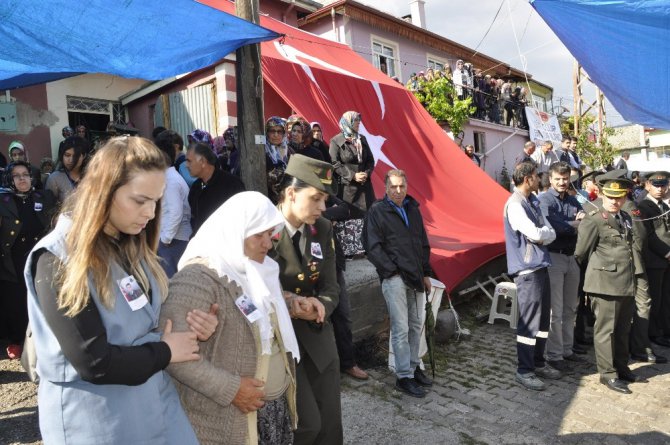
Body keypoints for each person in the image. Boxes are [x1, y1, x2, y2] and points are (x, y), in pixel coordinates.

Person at [24, 136, 220, 443]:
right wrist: (166, 351)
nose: (151, 213)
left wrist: (192, 326)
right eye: (140, 201)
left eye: (157, 201)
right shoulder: (56, 259)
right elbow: (93, 362)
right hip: (99, 421)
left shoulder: (129, 243)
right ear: (103, 192)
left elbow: (145, 321)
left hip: (155, 408)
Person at [162, 191, 302, 444]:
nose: (267, 244)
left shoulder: (259, 270)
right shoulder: (197, 278)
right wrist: (232, 389)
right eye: (258, 235)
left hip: (270, 411)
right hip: (228, 417)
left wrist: (292, 303)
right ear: (234, 231)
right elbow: (176, 359)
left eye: (270, 235)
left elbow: (264, 317)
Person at [269, 154, 342, 445]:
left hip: (317, 336)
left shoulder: (322, 229)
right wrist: (286, 303)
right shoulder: (262, 229)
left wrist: (320, 305)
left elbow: (332, 286)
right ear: (291, 193)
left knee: (329, 425)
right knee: (305, 425)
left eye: (325, 200)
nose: (323, 208)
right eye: (316, 199)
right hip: (280, 342)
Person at [574, 170, 646, 394]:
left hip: (625, 282)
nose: (615, 201)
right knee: (606, 331)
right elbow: (580, 253)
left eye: (619, 197)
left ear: (624, 197)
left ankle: (622, 367)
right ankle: (608, 373)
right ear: (602, 195)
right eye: (611, 196)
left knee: (623, 329)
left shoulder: (625, 218)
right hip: (604, 284)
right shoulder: (594, 220)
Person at [364, 169, 433, 398]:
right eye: (393, 186)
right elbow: (372, 246)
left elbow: (422, 242)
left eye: (401, 186)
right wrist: (391, 272)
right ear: (385, 187)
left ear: (407, 186)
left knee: (415, 326)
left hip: (415, 276)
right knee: (401, 329)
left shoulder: (412, 208)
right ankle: (403, 377)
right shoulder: (377, 211)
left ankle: (414, 368)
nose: (398, 191)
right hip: (394, 279)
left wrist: (425, 272)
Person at [503, 162, 560, 391]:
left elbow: (549, 233)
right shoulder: (515, 204)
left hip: (540, 265)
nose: (539, 180)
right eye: (537, 176)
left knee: (543, 320)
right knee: (529, 322)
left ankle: (538, 362)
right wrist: (543, 235)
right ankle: (524, 370)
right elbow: (536, 233)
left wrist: (543, 235)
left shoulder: (532, 201)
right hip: (528, 270)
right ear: (527, 179)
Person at [0, 161, 56, 359]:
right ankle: (17, 341)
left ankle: (44, 338)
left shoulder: (44, 196)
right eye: (16, 175)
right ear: (10, 179)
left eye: (26, 174)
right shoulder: (3, 200)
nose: (22, 178)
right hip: (12, 259)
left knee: (41, 297)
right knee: (15, 301)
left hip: (39, 256)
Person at [537, 162, 586, 372]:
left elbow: (585, 220)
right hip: (554, 258)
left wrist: (571, 224)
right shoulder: (544, 200)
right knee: (555, 311)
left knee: (570, 308)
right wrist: (573, 224)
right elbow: (552, 228)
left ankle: (567, 349)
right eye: (558, 178)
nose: (562, 182)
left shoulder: (574, 199)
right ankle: (554, 356)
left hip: (571, 257)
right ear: (550, 179)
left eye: (565, 179)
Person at [636, 171, 670, 348]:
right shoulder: (643, 206)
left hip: (664, 260)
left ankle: (664, 330)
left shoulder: (662, 206)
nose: (660, 189)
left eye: (663, 185)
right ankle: (654, 332)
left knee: (665, 298)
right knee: (655, 299)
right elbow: (649, 235)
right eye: (656, 185)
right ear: (647, 185)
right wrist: (667, 253)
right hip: (655, 260)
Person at [154, 130, 192, 277]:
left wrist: (165, 239)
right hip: (172, 239)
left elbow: (176, 211)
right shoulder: (169, 177)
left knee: (170, 283)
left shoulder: (171, 181)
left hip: (174, 241)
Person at [186, 142, 245, 235]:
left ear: (202, 161)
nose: (186, 165)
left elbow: (240, 219)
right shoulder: (196, 187)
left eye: (189, 161)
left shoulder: (231, 184)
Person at [329, 111, 376, 211]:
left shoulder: (362, 139)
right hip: (348, 191)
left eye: (359, 120)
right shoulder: (336, 141)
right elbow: (334, 163)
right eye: (356, 120)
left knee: (369, 221)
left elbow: (370, 160)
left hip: (366, 189)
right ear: (347, 121)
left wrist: (366, 173)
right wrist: (353, 176)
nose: (359, 122)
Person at [45, 135, 89, 204]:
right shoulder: (55, 178)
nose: (71, 160)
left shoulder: (92, 176)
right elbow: (49, 207)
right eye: (67, 155)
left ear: (84, 156)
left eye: (75, 156)